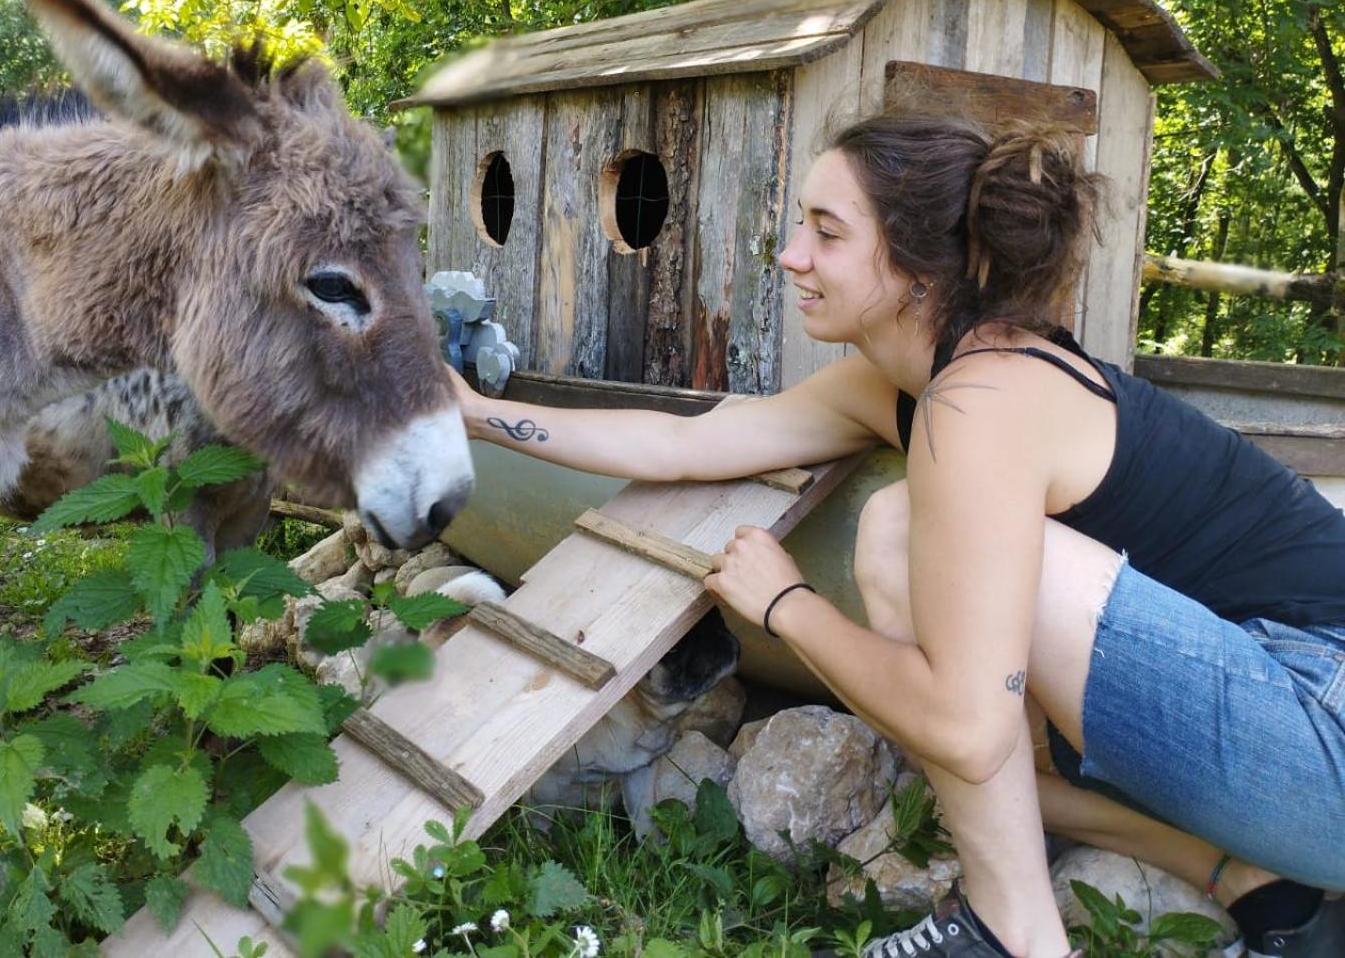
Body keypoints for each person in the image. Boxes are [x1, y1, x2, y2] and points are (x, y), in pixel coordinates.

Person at [448, 114, 1345, 958]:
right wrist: (484, 416)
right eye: (801, 224)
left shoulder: (987, 399)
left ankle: (1015, 934)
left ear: (921, 266)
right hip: (1267, 713)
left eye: (828, 233)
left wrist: (789, 609)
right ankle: (1247, 880)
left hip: (1323, 715)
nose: (792, 255)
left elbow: (962, 723)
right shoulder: (909, 383)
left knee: (920, 575)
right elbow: (687, 441)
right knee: (980, 743)